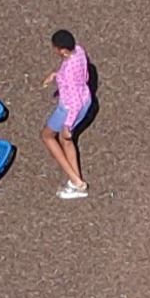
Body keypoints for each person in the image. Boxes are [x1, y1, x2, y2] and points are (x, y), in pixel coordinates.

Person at [43, 28, 94, 199]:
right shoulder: (79, 51)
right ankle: (75, 181)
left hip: (69, 108)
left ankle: (78, 183)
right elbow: (84, 76)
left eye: (56, 48)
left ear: (63, 51)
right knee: (66, 141)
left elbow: (74, 103)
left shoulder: (69, 73)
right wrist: (57, 75)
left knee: (48, 136)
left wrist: (67, 125)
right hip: (86, 99)